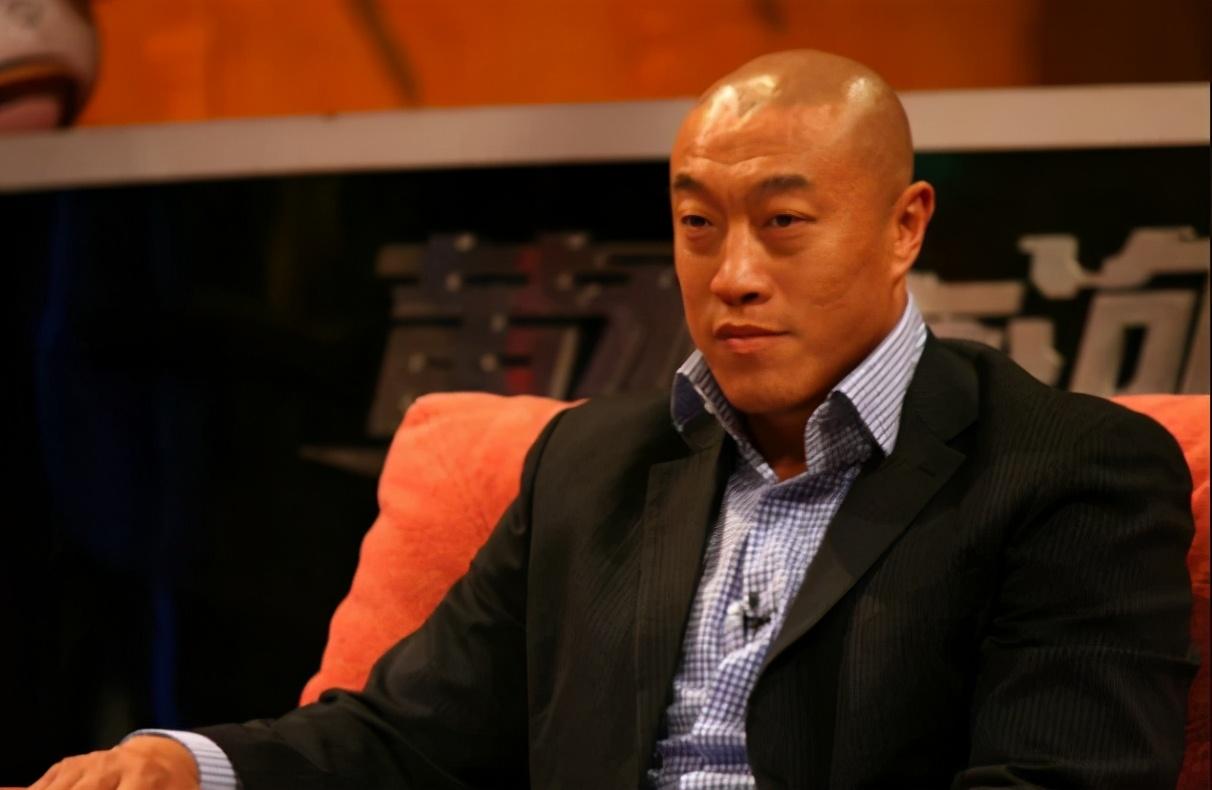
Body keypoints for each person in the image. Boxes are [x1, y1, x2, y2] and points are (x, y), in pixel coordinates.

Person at [31, 49, 1195, 790]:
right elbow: (407, 735)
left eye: (783, 223)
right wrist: (184, 762)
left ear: (906, 226)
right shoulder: (589, 461)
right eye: (699, 224)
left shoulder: (1069, 471)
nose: (733, 274)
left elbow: (1058, 780)